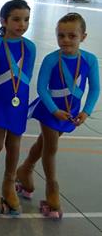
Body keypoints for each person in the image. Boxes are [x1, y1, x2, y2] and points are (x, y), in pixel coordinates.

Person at [16, 12, 99, 219]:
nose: (66, 40)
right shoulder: (52, 59)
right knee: (51, 147)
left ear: (83, 36)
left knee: (44, 143)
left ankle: (25, 168)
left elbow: (95, 88)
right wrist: (54, 110)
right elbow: (42, 88)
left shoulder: (89, 60)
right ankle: (52, 188)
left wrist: (86, 111)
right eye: (61, 35)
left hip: (70, 111)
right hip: (49, 109)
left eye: (72, 36)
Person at [0, 0, 36, 215]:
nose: (22, 24)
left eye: (26, 19)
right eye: (17, 19)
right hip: (0, 99)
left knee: (15, 144)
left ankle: (9, 183)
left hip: (18, 100)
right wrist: (1, 89)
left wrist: (17, 93)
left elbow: (27, 74)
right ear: (4, 20)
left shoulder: (29, 46)